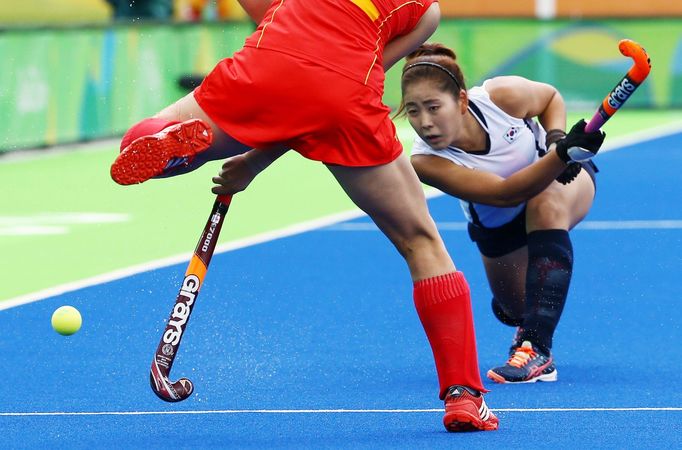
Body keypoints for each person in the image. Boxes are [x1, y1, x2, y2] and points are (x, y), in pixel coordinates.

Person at [110, 0, 499, 432]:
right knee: (421, 242)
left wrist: (251, 156)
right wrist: (255, 162)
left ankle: (173, 147)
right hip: (345, 93)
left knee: (140, 139)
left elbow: (293, 71)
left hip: (267, 69)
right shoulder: (426, 11)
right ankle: (463, 396)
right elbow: (338, 78)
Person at [398, 43, 605, 384]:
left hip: (562, 185)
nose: (425, 123)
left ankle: (534, 347)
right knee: (517, 309)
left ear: (462, 101)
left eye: (434, 107)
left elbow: (550, 97)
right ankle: (523, 312)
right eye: (414, 111)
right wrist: (561, 157)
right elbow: (505, 194)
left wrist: (555, 141)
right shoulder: (425, 162)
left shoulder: (502, 97)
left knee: (546, 202)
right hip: (500, 223)